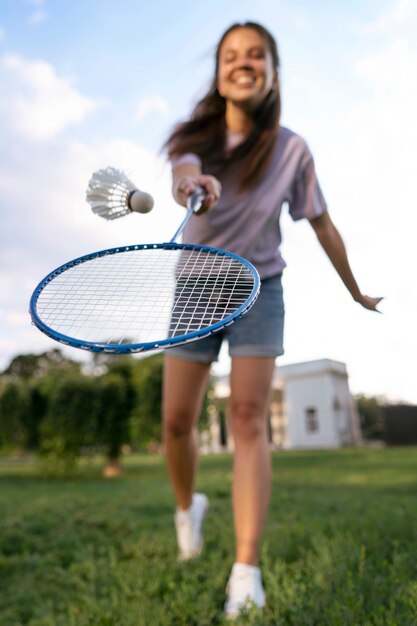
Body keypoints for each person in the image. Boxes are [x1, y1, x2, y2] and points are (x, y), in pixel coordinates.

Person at [162, 21, 382, 619]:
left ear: (272, 71)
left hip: (260, 286)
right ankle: (189, 508)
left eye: (256, 55)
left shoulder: (292, 150)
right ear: (219, 72)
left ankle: (246, 570)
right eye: (232, 55)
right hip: (194, 289)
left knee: (248, 419)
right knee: (176, 423)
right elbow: (183, 173)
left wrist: (356, 289)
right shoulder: (194, 137)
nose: (244, 63)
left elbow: (323, 224)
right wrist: (194, 186)